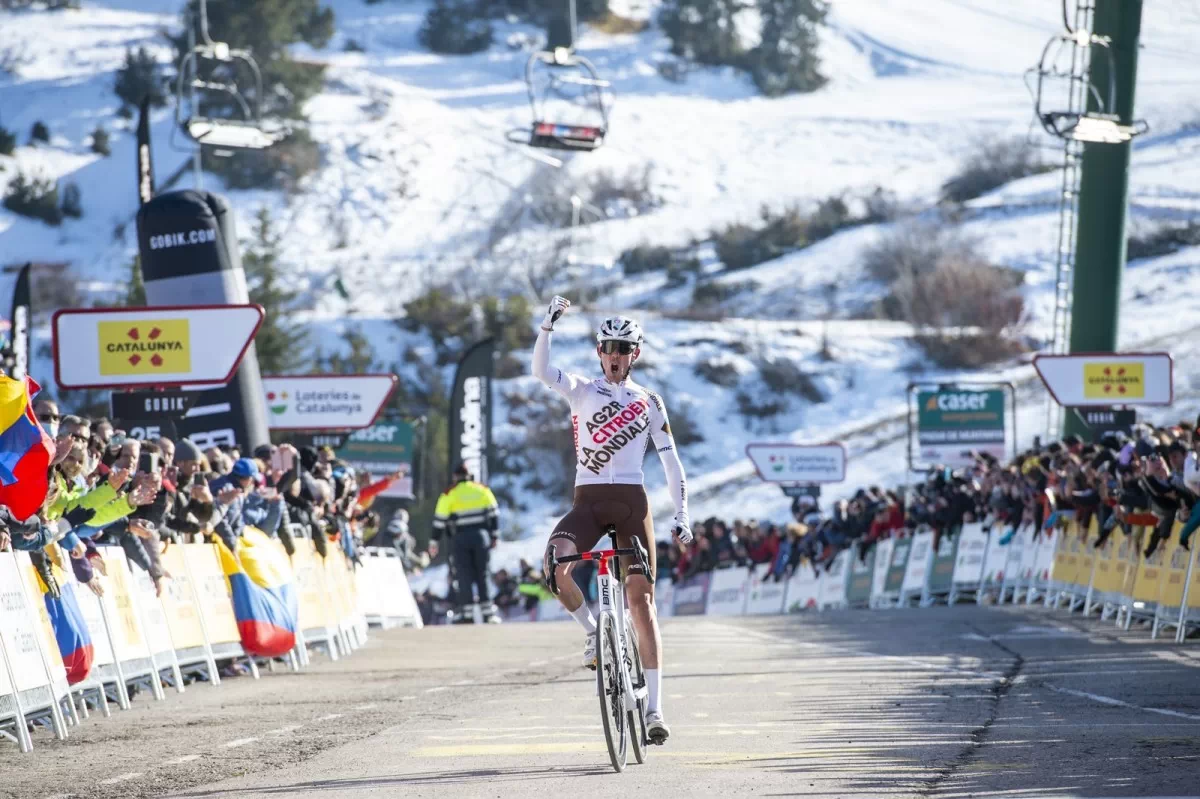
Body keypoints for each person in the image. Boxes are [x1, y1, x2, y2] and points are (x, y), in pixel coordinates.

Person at [531, 294, 691, 746]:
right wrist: (547, 328)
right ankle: (593, 634)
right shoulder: (581, 388)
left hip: (632, 505)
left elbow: (672, 463)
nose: (616, 356)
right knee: (553, 564)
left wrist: (681, 514)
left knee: (641, 601)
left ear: (634, 354)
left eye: (624, 349)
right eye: (609, 348)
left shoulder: (649, 401)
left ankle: (656, 709)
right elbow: (541, 372)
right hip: (588, 502)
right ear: (599, 352)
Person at [433, 462, 500, 623]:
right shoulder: (482, 489)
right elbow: (494, 514)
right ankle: (488, 613)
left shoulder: (449, 493)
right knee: (483, 574)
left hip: (460, 539)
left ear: (455, 477)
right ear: (469, 476)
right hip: (481, 536)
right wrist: (494, 536)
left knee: (464, 576)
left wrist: (434, 541)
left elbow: (439, 521)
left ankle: (467, 614)